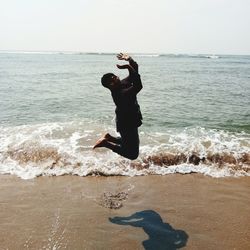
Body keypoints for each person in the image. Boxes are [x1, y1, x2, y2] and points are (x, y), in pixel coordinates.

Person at [93, 53, 143, 160]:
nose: (116, 77)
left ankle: (109, 138)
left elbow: (135, 71)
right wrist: (128, 67)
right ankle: (106, 143)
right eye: (113, 78)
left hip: (129, 120)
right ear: (111, 85)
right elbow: (138, 86)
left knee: (130, 142)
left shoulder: (122, 83)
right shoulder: (121, 94)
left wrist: (129, 59)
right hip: (127, 124)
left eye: (114, 76)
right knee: (132, 154)